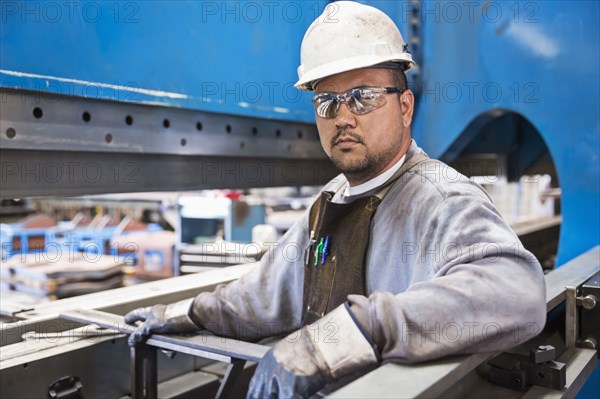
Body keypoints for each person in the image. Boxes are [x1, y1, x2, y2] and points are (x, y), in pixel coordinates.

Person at [124, 2, 547, 398]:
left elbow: (516, 294)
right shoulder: (330, 200)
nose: (343, 117)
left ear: (404, 106)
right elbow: (265, 292)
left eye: (363, 96)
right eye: (327, 101)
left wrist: (359, 330)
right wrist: (185, 313)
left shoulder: (439, 196)